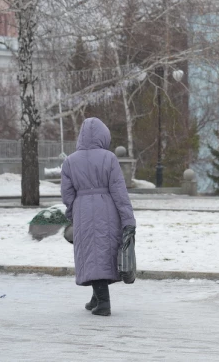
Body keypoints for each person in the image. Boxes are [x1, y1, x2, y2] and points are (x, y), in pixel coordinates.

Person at [61, 117, 136, 316]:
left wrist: (72, 215)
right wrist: (128, 219)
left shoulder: (70, 161)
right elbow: (120, 191)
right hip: (107, 209)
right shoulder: (109, 158)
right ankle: (98, 297)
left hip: (82, 210)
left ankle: (103, 302)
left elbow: (67, 195)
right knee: (103, 252)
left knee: (91, 253)